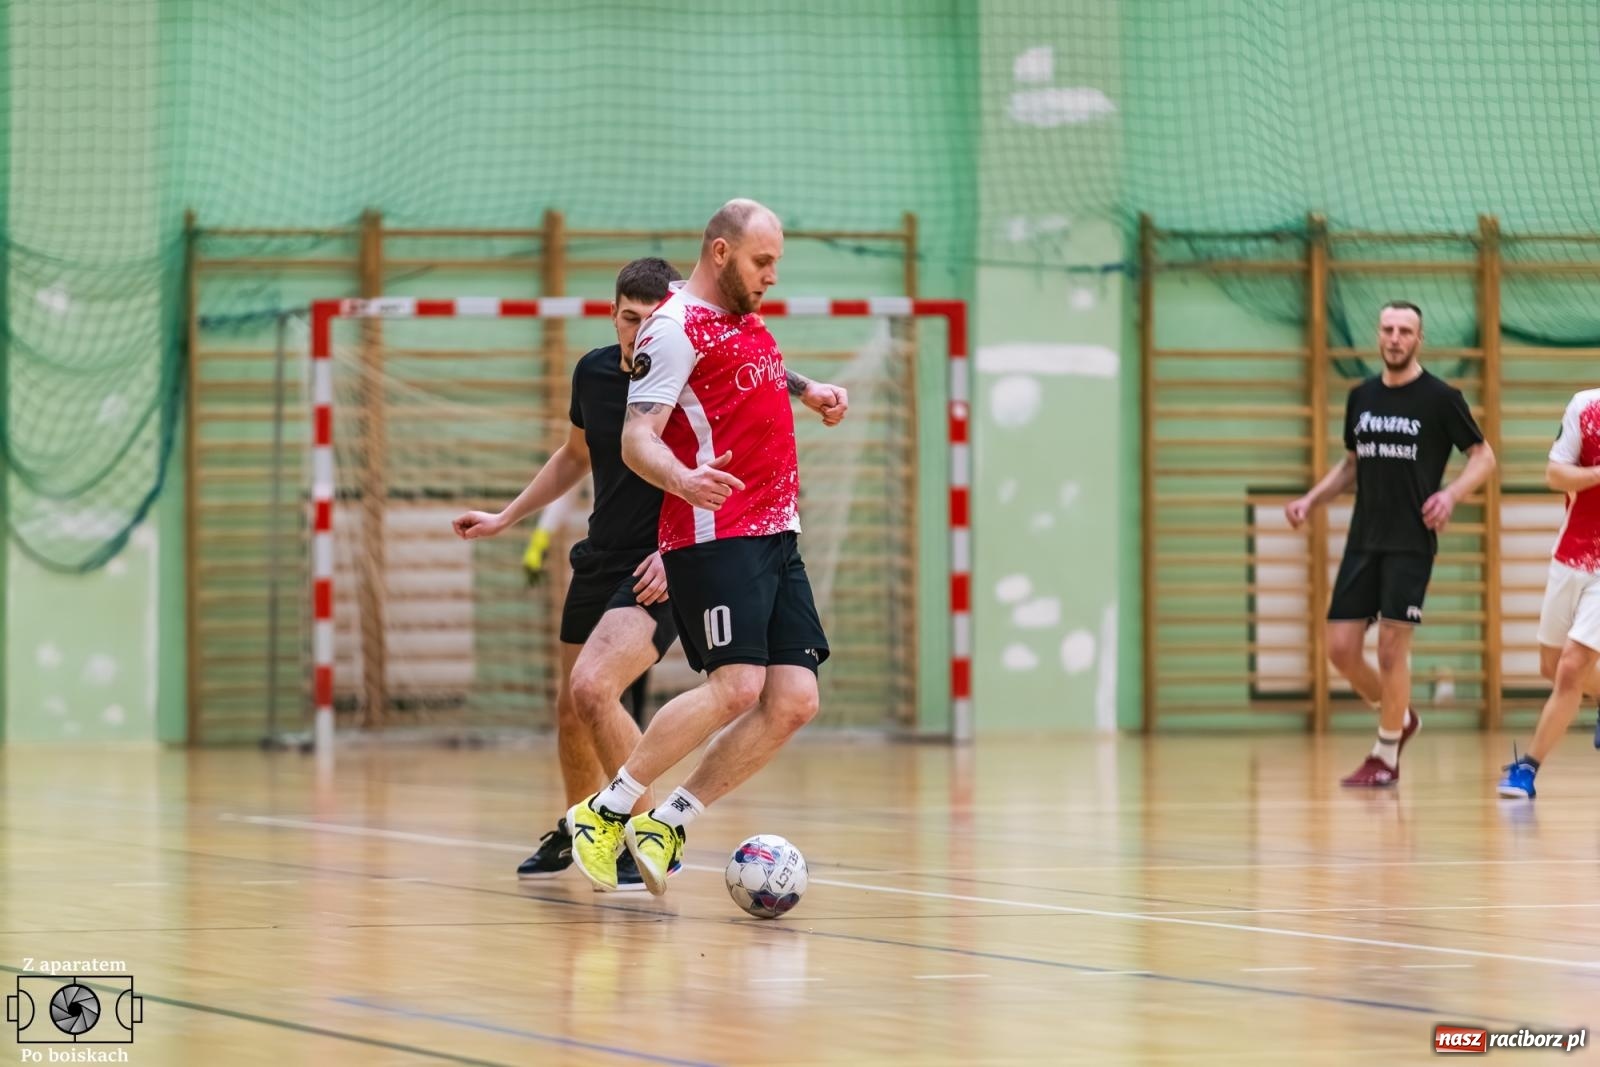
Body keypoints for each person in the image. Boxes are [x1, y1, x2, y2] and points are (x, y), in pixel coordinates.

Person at [567, 198, 849, 893]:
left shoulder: (739, 316)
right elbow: (637, 437)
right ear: (720, 252)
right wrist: (684, 479)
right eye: (762, 261)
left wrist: (808, 390)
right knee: (738, 685)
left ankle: (667, 821)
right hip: (715, 531)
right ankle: (605, 811)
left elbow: (749, 371)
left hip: (776, 528)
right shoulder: (670, 330)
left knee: (795, 700)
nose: (772, 275)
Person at [453, 257, 682, 889]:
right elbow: (575, 455)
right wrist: (506, 517)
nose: (639, 332)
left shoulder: (690, 381)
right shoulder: (593, 373)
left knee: (598, 689)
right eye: (629, 318)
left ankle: (646, 836)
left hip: (661, 562)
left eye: (653, 320)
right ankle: (582, 827)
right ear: (612, 314)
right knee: (571, 708)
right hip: (600, 554)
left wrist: (678, 551)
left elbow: (727, 471)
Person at [1286, 300, 1496, 787]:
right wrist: (1310, 500)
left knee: (1389, 651)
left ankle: (1385, 756)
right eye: (1388, 329)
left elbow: (1484, 456)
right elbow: (1351, 466)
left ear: (1419, 339)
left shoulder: (1440, 398)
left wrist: (1451, 494)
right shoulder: (1360, 396)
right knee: (1340, 649)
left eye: (1405, 330)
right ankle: (1400, 717)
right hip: (1364, 538)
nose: (1395, 338)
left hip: (1411, 541)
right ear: (1378, 335)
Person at [1498, 387, 1600, 798]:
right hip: (1571, 555)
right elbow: (1555, 475)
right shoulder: (1586, 406)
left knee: (1571, 668)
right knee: (1551, 665)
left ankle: (1527, 769)